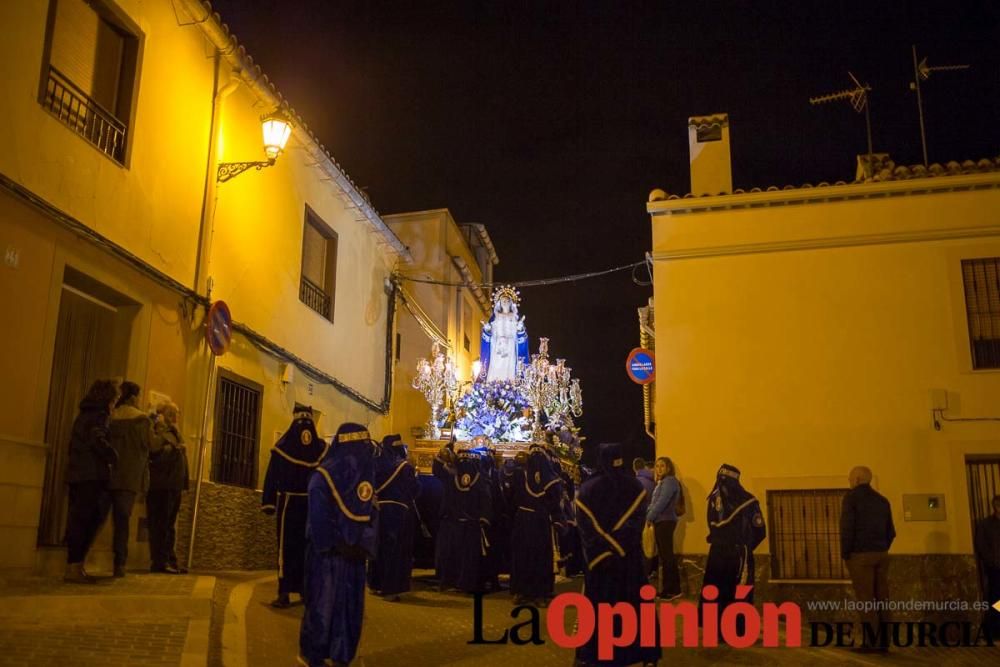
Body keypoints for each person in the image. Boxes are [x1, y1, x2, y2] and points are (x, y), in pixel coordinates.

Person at [298, 423, 378, 667]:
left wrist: (332, 543)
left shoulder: (322, 475)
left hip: (331, 556)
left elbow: (319, 519)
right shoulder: (350, 475)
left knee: (328, 607)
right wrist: (360, 544)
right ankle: (335, 655)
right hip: (340, 557)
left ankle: (319, 655)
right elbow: (373, 516)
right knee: (340, 608)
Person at [575, 443, 660, 667]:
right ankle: (644, 654)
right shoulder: (636, 487)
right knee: (636, 607)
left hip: (599, 564)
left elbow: (584, 528)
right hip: (628, 561)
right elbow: (635, 524)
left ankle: (594, 654)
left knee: (599, 609)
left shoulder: (587, 489)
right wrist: (620, 546)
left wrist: (601, 550)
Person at [262, 407, 329, 608]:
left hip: (289, 506)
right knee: (307, 549)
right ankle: (305, 591)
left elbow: (271, 477)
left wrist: (269, 503)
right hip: (311, 506)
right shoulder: (321, 450)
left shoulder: (282, 448)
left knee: (287, 549)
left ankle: (284, 592)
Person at [64, 380, 119, 583]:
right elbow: (98, 438)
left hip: (78, 474)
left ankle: (74, 566)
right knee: (90, 519)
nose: (114, 404)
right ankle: (75, 567)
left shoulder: (84, 414)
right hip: (92, 475)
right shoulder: (100, 416)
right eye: (114, 399)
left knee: (79, 519)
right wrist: (112, 454)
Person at [700, 464, 766, 632]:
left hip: (722, 553)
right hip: (737, 554)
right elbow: (760, 531)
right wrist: (746, 547)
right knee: (735, 591)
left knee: (719, 590)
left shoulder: (715, 499)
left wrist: (743, 547)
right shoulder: (748, 501)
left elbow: (712, 526)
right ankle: (736, 629)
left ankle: (717, 628)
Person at [841, 465, 895, 652]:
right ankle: (884, 642)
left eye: (850, 479)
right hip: (881, 554)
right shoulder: (882, 501)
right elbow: (891, 532)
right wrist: (882, 548)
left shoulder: (851, 499)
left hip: (860, 556)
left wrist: (846, 553)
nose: (849, 482)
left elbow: (847, 528)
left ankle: (871, 642)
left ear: (856, 479)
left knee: (866, 600)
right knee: (882, 599)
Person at [108, 381, 156, 578]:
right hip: (128, 476)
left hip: (107, 474)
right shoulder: (142, 420)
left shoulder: (111, 417)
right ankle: (119, 563)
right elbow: (151, 445)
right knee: (122, 522)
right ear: (133, 397)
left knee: (97, 518)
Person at [506, 443, 562, 605]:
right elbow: (555, 503)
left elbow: (510, 497)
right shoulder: (551, 479)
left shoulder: (518, 474)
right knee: (540, 557)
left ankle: (520, 591)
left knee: (522, 556)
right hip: (541, 521)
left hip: (523, 519)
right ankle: (540, 592)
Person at [432, 445, 492, 593]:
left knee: (450, 554)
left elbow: (437, 469)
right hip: (470, 523)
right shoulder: (480, 477)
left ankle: (449, 581)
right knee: (467, 556)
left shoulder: (451, 474)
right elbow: (486, 499)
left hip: (453, 521)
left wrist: (442, 453)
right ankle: (465, 583)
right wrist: (483, 518)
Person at [368, 434, 419, 601]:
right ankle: (391, 589)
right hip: (399, 512)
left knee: (379, 548)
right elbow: (415, 491)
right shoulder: (405, 467)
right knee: (396, 551)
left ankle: (376, 584)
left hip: (380, 510)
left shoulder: (376, 464)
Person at [147, 401, 189, 574]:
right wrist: (173, 448)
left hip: (173, 484)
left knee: (169, 525)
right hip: (163, 484)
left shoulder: (175, 432)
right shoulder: (159, 429)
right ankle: (160, 562)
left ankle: (170, 560)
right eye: (174, 413)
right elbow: (155, 451)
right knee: (161, 525)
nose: (177, 417)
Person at [646, 456, 682, 599]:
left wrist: (649, 517)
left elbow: (661, 502)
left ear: (668, 468)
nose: (659, 469)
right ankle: (672, 588)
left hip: (666, 522)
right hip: (661, 521)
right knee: (665, 556)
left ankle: (671, 590)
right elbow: (653, 503)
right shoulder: (661, 482)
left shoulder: (670, 482)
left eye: (662, 466)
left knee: (667, 557)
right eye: (657, 466)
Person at [480, 286, 529, 383]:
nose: (505, 303)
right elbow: (490, 333)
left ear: (511, 303)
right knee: (495, 365)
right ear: (499, 303)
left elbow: (521, 335)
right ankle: (494, 384)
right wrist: (487, 329)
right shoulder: (495, 317)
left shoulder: (514, 317)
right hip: (497, 346)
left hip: (510, 345)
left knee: (510, 366)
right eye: (503, 301)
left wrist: (519, 328)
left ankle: (510, 384)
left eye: (507, 301)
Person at [974, 494, 1000, 637]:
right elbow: (981, 546)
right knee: (996, 597)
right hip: (996, 568)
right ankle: (996, 627)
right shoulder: (986, 524)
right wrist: (992, 561)